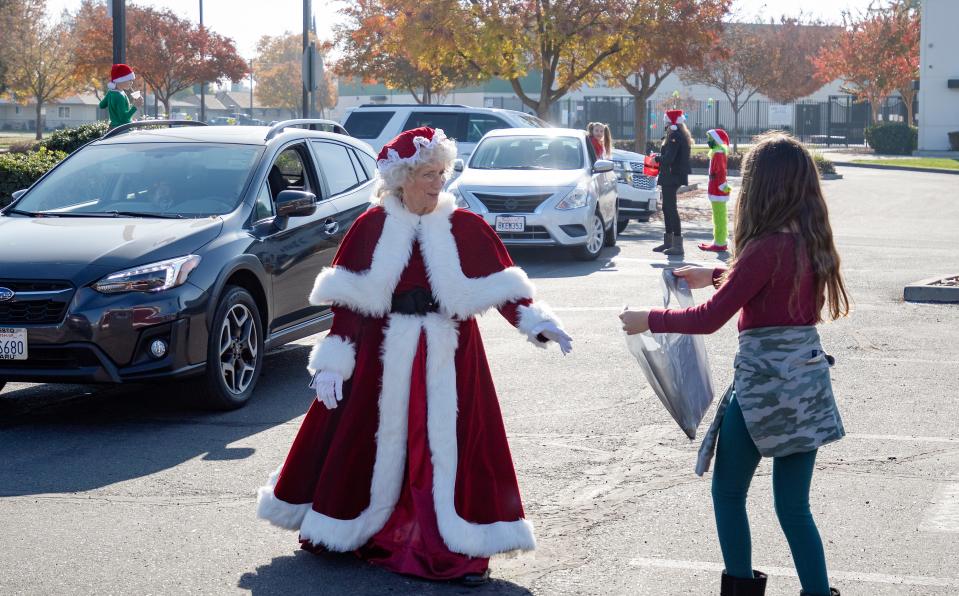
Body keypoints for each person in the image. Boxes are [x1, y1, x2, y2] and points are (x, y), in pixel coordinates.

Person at [256, 127, 573, 586]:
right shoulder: (371, 226)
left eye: (441, 172)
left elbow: (505, 287)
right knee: (371, 440)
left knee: (445, 448)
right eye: (427, 173)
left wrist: (539, 323)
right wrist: (331, 364)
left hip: (450, 353)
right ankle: (361, 528)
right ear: (402, 177)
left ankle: (453, 542)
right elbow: (348, 304)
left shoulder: (466, 225)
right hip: (383, 356)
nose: (437, 182)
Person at [619, 132, 849, 596]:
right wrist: (721, 275)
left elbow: (709, 319)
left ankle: (741, 588)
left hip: (763, 390)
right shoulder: (810, 242)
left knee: (727, 493)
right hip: (806, 387)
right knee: (793, 508)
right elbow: (772, 285)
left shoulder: (763, 248)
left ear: (761, 188)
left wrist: (648, 318)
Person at [652, 110, 692, 256]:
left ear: (672, 123)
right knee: (666, 208)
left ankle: (678, 245)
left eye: (667, 122)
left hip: (672, 177)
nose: (666, 124)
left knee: (671, 209)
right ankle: (669, 242)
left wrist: (656, 159)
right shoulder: (675, 135)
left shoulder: (675, 136)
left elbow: (669, 158)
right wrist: (659, 157)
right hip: (669, 176)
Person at [699, 128, 732, 252]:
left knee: (719, 216)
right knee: (719, 216)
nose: (708, 141)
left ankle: (720, 242)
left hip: (717, 189)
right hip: (717, 188)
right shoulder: (717, 152)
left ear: (716, 140)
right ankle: (719, 240)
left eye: (710, 139)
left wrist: (719, 185)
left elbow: (720, 173)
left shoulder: (718, 154)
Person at [99, 63, 143, 129]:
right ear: (120, 80)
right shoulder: (120, 96)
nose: (132, 82)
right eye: (129, 80)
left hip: (112, 128)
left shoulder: (111, 92)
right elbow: (124, 118)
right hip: (121, 130)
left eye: (132, 80)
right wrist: (135, 106)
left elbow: (101, 105)